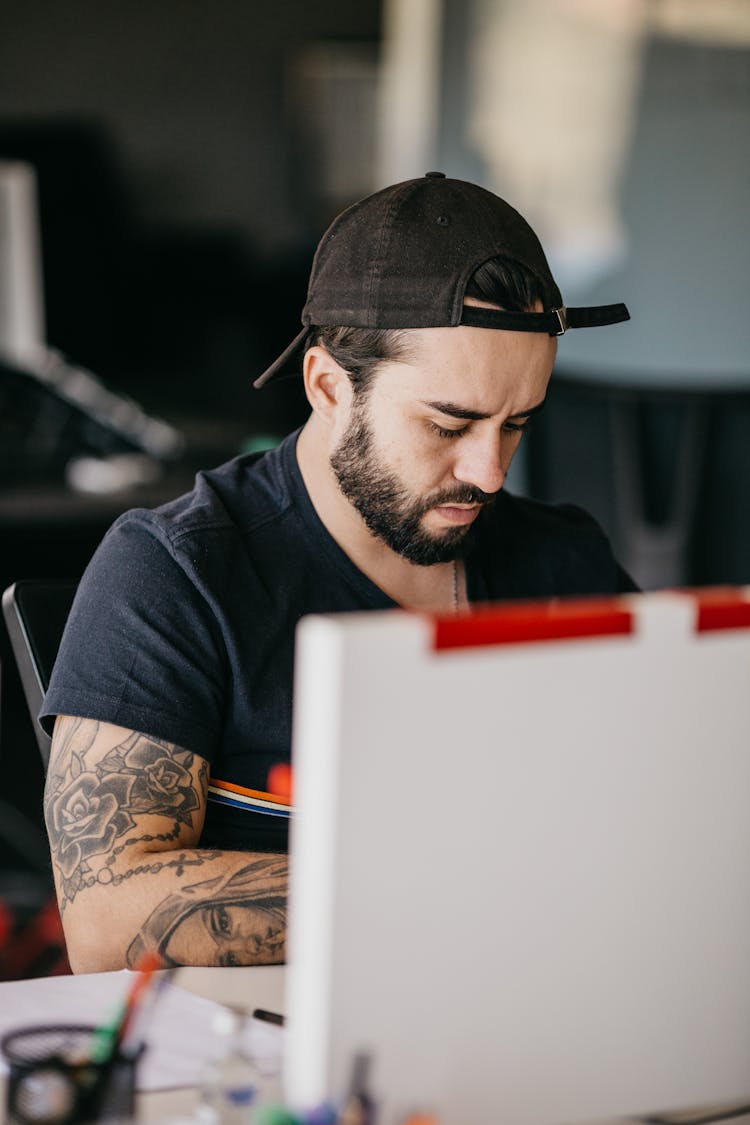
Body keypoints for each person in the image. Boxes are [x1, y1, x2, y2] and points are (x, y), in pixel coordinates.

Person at [42, 172, 635, 972]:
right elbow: (105, 915)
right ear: (328, 386)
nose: (490, 472)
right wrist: (458, 893)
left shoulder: (565, 561)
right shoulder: (178, 572)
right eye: (448, 424)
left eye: (516, 424)